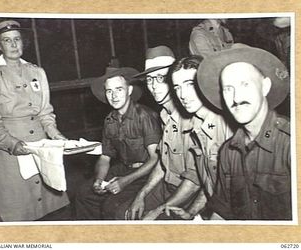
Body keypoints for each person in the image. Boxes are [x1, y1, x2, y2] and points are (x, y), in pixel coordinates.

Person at [197, 46, 291, 220]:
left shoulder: (290, 143)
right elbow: (222, 211)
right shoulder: (228, 151)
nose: (236, 98)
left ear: (265, 86)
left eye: (245, 84)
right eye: (228, 89)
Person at [0, 20, 69, 221]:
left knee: (50, 210)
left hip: (41, 147)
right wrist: (12, 144)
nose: (14, 45)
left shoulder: (37, 72)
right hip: (10, 151)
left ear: (23, 42)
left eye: (17, 39)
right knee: (18, 213)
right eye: (7, 41)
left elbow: (45, 112)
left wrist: (56, 136)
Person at [120, 46, 203, 220]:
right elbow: (163, 163)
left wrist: (159, 210)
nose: (154, 86)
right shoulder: (165, 115)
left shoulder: (194, 116)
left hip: (190, 195)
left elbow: (195, 181)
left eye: (161, 78)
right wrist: (141, 195)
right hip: (167, 186)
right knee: (123, 215)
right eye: (150, 79)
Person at [75, 67, 161, 220]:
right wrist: (99, 180)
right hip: (123, 169)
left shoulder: (144, 116)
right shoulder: (110, 120)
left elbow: (155, 159)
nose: (114, 96)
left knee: (111, 206)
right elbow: (105, 157)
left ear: (129, 91)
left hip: (144, 173)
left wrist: (124, 182)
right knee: (83, 193)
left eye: (119, 89)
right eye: (109, 91)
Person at [164, 55, 233, 219]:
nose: (182, 94)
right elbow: (209, 182)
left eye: (190, 85)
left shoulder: (226, 125)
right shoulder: (195, 123)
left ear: (206, 82)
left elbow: (234, 193)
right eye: (177, 87)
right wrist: (191, 213)